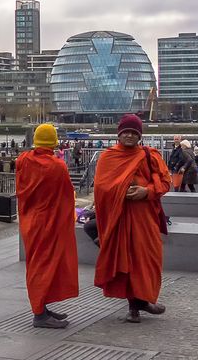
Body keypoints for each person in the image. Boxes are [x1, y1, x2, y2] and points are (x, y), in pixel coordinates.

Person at [93, 114, 171, 324]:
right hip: (120, 218)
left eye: (133, 133)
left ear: (139, 136)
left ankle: (143, 299)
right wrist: (121, 191)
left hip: (145, 218)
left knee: (148, 259)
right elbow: (101, 188)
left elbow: (165, 183)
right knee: (126, 260)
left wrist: (146, 191)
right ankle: (133, 306)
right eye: (125, 132)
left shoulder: (149, 155)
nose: (129, 136)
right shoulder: (108, 157)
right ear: (119, 134)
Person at [15, 123, 79, 329]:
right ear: (54, 142)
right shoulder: (57, 166)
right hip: (48, 222)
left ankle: (42, 306)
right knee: (44, 265)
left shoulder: (23, 160)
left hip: (30, 221)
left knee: (37, 263)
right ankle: (39, 314)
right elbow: (67, 194)